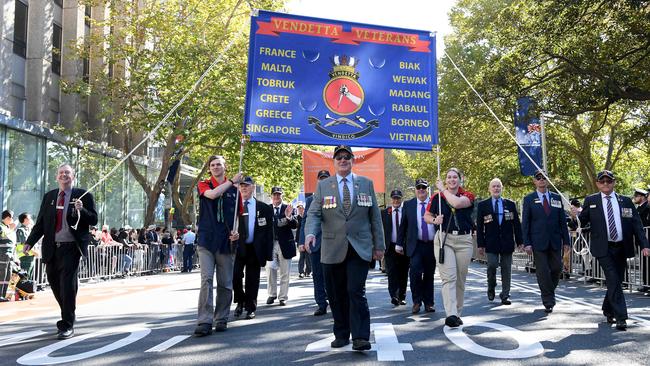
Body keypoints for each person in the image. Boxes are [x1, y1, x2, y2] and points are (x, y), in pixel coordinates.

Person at [304, 145, 385, 351]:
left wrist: (379, 246)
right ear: (334, 161)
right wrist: (310, 233)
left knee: (355, 290)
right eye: (338, 157)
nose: (342, 160)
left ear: (352, 160)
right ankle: (341, 333)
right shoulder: (324, 186)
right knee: (336, 293)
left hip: (360, 247)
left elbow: (374, 217)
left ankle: (360, 337)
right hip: (332, 247)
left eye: (346, 157)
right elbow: (314, 214)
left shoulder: (366, 184)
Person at [23, 163, 98, 339]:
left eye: (67, 173)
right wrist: (30, 242)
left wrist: (82, 210)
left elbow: (93, 219)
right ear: (57, 177)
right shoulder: (49, 196)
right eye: (61, 173)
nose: (64, 175)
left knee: (67, 286)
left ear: (74, 176)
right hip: (51, 248)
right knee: (55, 284)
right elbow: (40, 223)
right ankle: (67, 312)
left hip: (71, 247)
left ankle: (67, 324)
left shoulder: (84, 195)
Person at [578, 170, 650, 330]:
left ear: (614, 182)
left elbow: (637, 224)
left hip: (622, 247)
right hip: (603, 248)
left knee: (615, 280)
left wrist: (644, 244)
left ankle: (607, 309)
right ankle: (621, 317)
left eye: (608, 181)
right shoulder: (591, 200)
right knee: (613, 278)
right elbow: (581, 221)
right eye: (602, 181)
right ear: (597, 184)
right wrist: (574, 216)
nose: (605, 184)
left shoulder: (625, 201)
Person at [193, 155, 242, 336]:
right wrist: (231, 182)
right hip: (207, 240)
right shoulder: (204, 185)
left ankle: (221, 317)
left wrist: (236, 232)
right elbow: (213, 195)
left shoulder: (236, 192)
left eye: (218, 164)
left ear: (224, 166)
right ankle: (204, 320)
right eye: (212, 165)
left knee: (225, 282)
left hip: (226, 241)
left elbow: (237, 215)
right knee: (206, 279)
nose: (215, 167)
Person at [424, 168, 475, 328]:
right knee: (449, 278)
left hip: (464, 240)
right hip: (444, 238)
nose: (452, 180)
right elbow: (426, 216)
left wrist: (442, 189)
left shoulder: (467, 196)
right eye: (449, 177)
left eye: (455, 177)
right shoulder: (436, 198)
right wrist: (434, 220)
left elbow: (457, 204)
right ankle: (451, 314)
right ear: (445, 180)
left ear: (460, 180)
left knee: (460, 278)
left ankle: (457, 312)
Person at [521, 169, 570, 314]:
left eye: (544, 178)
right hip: (537, 242)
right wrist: (527, 242)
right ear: (534, 181)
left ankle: (548, 291)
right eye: (538, 178)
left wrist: (566, 241)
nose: (542, 180)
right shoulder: (529, 199)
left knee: (556, 268)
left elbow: (562, 221)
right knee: (542, 271)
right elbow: (526, 223)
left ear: (548, 180)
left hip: (555, 240)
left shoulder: (556, 198)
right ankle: (548, 300)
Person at [476, 178, 523, 305]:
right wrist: (480, 244)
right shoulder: (483, 205)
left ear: (501, 188)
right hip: (491, 243)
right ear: (489, 189)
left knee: (506, 269)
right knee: (492, 265)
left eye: (498, 186)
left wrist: (520, 242)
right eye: (494, 186)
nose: (496, 188)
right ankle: (491, 286)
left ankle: (505, 295)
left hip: (507, 242)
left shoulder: (510, 204)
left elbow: (517, 225)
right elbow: (479, 227)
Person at [234, 176, 273, 319]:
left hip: (255, 249)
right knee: (235, 276)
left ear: (253, 187)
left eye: (247, 185)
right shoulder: (234, 206)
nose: (243, 187)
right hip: (237, 248)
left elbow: (269, 232)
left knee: (252, 279)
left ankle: (250, 307)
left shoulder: (263, 208)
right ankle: (240, 301)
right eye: (241, 185)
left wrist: (268, 254)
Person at [398, 179, 436, 314]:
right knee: (415, 273)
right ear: (415, 189)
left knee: (429, 275)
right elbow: (403, 226)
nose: (421, 190)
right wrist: (399, 243)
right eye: (418, 187)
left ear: (427, 189)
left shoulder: (434, 203)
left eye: (424, 188)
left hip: (432, 245)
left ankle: (429, 303)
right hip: (415, 245)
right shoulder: (408, 205)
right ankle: (416, 302)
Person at [299, 169, 331, 316]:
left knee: (332, 275)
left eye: (326, 178)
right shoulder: (310, 200)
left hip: (332, 244)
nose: (323, 181)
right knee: (317, 275)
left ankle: (334, 300)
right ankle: (321, 303)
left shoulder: (335, 197)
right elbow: (305, 222)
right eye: (321, 179)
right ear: (317, 181)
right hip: (315, 244)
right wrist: (301, 241)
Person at [266, 186, 297, 306]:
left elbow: (295, 225)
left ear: (282, 196)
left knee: (285, 272)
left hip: (285, 244)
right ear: (271, 196)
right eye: (274, 195)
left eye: (279, 195)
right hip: (271, 244)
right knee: (270, 270)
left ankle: (283, 297)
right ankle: (272, 294)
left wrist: (289, 217)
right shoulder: (267, 209)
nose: (276, 197)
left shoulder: (287, 208)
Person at [382, 189, 410, 308]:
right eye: (394, 198)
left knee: (403, 272)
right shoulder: (384, 213)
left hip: (404, 247)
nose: (396, 200)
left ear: (401, 199)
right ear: (391, 199)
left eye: (398, 198)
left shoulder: (406, 211)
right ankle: (394, 295)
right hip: (390, 247)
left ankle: (402, 296)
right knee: (392, 272)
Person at [632, 188, 649, 292]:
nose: (634, 198)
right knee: (644, 263)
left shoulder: (647, 207)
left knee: (647, 263)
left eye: (636, 196)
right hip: (641, 240)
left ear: (642, 197)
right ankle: (646, 283)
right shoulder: (638, 208)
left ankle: (647, 284)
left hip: (646, 239)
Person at [1, 210, 17, 302]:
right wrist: (10, 230)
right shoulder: (1, 227)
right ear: (7, 218)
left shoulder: (8, 227)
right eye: (11, 217)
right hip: (2, 254)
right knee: (2, 274)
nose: (12, 219)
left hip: (9, 255)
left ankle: (3, 294)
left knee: (8, 274)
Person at [15, 212, 35, 278]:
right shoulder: (21, 230)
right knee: (25, 277)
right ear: (25, 219)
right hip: (25, 257)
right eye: (29, 218)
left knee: (29, 277)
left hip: (30, 256)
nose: (30, 220)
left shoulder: (28, 229)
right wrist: (34, 252)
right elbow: (24, 244)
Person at [296, 203, 311, 279]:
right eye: (299, 209)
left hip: (307, 238)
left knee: (308, 256)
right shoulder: (297, 218)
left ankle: (308, 271)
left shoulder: (307, 217)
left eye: (301, 208)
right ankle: (301, 272)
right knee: (302, 256)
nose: (300, 210)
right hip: (300, 239)